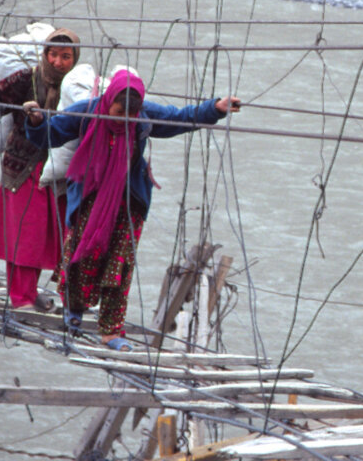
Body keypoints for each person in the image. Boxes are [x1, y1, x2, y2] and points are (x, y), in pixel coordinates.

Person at [23, 69, 240, 350]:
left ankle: (111, 332)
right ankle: (73, 310)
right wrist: (38, 120)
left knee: (119, 267)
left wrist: (215, 108)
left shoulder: (143, 117)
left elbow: (180, 118)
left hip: (129, 203)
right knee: (80, 256)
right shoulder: (88, 112)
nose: (122, 119)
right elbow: (50, 133)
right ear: (109, 100)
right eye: (117, 112)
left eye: (129, 115)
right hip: (90, 197)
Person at [0, 27, 80, 310]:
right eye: (53, 54)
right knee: (25, 235)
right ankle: (20, 297)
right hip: (23, 168)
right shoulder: (28, 79)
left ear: (75, 59)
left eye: (66, 57)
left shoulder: (75, 88)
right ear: (45, 54)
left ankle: (29, 292)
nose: (58, 62)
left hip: (56, 174)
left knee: (44, 237)